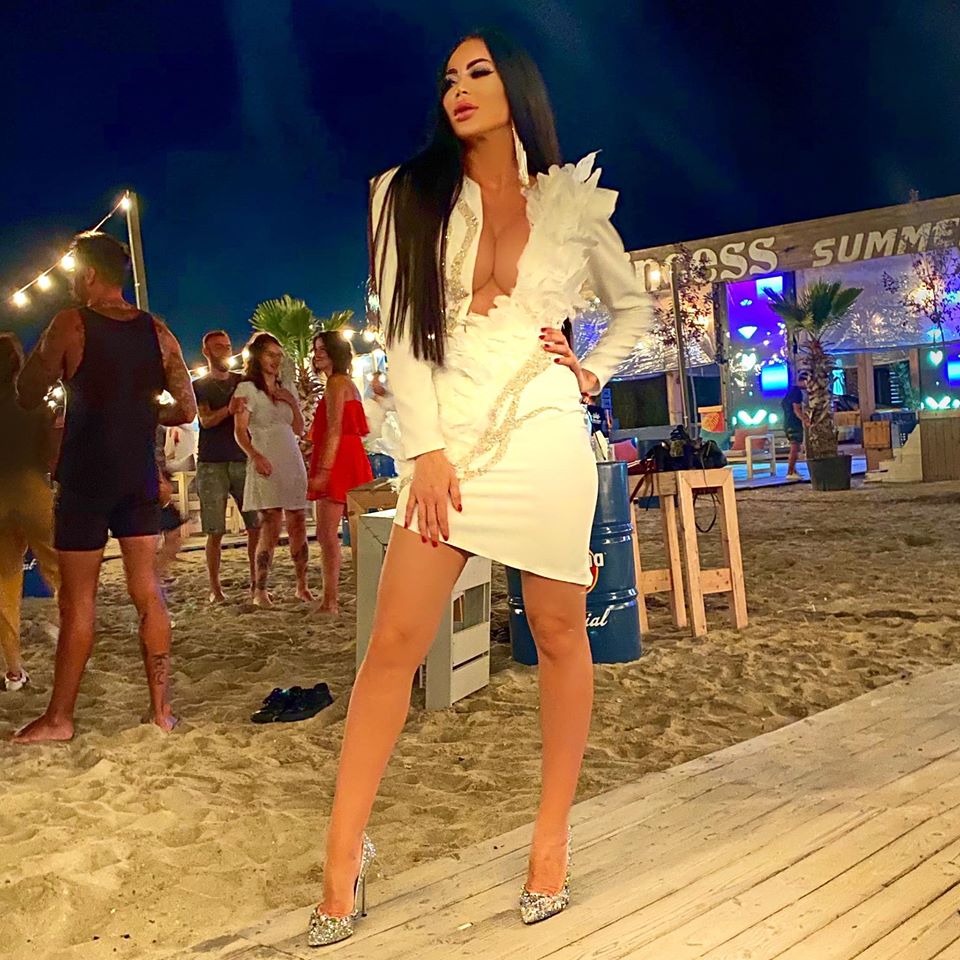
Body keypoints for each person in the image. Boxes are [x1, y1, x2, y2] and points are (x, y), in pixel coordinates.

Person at [309, 31, 651, 947]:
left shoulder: (567, 203)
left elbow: (634, 309)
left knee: (559, 631)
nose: (458, 88)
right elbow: (406, 334)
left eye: (478, 72)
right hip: (449, 441)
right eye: (448, 77)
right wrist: (423, 450)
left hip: (546, 431)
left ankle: (551, 840)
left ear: (517, 87)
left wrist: (590, 371)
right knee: (394, 644)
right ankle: (342, 858)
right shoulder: (407, 193)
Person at [12, 230, 197, 743]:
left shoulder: (71, 323)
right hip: (137, 476)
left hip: (86, 477)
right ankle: (161, 711)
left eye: (76, 273)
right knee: (147, 590)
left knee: (79, 601)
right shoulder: (157, 331)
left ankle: (60, 718)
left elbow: (28, 392)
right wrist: (139, 409)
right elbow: (185, 407)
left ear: (89, 274)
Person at [233, 332, 311, 607]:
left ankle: (302, 585)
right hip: (264, 453)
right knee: (270, 522)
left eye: (279, 355)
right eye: (270, 354)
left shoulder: (286, 386)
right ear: (257, 357)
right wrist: (255, 455)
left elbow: (299, 428)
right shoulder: (246, 389)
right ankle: (260, 589)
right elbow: (240, 431)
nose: (275, 360)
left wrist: (290, 401)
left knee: (298, 519)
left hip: (290, 454)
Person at [0, 333, 60, 691]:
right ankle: (68, 634)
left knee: (5, 584)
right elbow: (50, 457)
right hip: (33, 489)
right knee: (59, 571)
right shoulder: (34, 405)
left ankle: (14, 670)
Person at [307, 331, 374, 615]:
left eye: (323, 349)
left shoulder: (335, 383)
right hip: (352, 454)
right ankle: (363, 595)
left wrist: (324, 470)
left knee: (326, 534)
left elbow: (334, 429)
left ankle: (330, 600)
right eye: (316, 349)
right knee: (357, 533)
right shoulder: (348, 383)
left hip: (338, 459)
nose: (317, 354)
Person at [193, 330, 261, 602]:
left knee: (255, 525)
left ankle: (257, 581)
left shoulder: (241, 381)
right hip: (211, 462)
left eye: (227, 346)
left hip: (241, 458)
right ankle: (215, 588)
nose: (224, 351)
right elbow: (205, 420)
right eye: (218, 347)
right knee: (215, 530)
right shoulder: (200, 386)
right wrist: (229, 410)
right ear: (206, 352)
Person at [783, 370, 809, 480]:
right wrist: (805, 420)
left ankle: (793, 470)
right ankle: (790, 471)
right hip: (793, 423)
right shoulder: (797, 393)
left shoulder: (791, 391)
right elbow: (796, 410)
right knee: (795, 447)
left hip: (788, 422)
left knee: (795, 447)